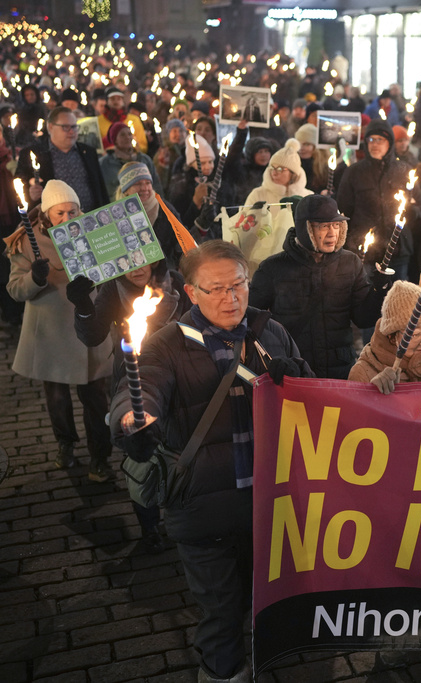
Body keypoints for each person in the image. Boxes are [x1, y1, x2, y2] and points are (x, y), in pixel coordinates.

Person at [111, 240, 311, 682]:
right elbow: (140, 392)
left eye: (238, 285)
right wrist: (131, 419)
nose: (231, 297)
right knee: (221, 613)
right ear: (191, 292)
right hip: (206, 509)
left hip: (272, 505)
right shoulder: (167, 346)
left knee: (267, 599)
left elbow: (313, 393)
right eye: (216, 288)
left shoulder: (268, 331)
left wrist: (294, 372)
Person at [67, 258, 189, 553]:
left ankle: (183, 516)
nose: (135, 266)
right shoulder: (113, 289)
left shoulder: (176, 282)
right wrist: (83, 305)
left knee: (181, 450)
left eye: (142, 257)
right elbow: (93, 336)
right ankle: (149, 526)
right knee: (140, 456)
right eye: (126, 259)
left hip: (180, 379)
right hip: (133, 382)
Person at [4, 180, 113, 478]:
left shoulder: (94, 230)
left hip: (88, 325)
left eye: (73, 211)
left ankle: (100, 455)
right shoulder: (26, 241)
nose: (68, 219)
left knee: (95, 397)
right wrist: (36, 279)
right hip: (50, 331)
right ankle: (65, 444)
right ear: (47, 214)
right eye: (60, 213)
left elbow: (113, 270)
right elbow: (14, 290)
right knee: (56, 396)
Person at [249, 195, 387, 379]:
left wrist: (380, 292)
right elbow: (252, 320)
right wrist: (276, 357)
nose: (332, 233)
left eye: (336, 225)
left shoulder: (350, 262)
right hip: (295, 371)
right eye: (323, 226)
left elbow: (363, 318)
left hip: (339, 371)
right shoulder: (273, 268)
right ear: (305, 228)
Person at [335, 120, 416, 277]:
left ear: (389, 143)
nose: (374, 144)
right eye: (371, 139)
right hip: (366, 251)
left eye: (380, 140)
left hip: (397, 250)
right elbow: (344, 209)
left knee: (398, 298)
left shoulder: (404, 170)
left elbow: (420, 206)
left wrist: (409, 210)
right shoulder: (354, 172)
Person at [16, 106, 109, 212]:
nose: (71, 132)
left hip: (90, 218)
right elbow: (18, 191)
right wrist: (30, 195)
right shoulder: (32, 155)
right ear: (50, 127)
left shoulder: (87, 152)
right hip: (55, 223)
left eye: (74, 127)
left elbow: (100, 189)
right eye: (65, 127)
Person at [115, 162, 183, 269]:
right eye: (137, 184)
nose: (144, 188)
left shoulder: (165, 209)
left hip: (165, 273)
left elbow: (181, 244)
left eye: (147, 182)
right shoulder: (116, 215)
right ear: (126, 190)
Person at [243, 138, 313, 223]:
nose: (274, 173)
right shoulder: (258, 195)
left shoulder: (308, 196)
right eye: (272, 168)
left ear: (293, 173)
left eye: (280, 169)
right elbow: (243, 226)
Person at [99, 120, 163, 200]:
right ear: (114, 139)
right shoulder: (104, 164)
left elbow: (156, 185)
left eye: (129, 134)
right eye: (122, 135)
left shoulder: (144, 159)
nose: (127, 137)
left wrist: (160, 203)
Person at [98, 86, 148, 154]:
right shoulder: (99, 121)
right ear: (107, 101)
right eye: (112, 99)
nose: (116, 101)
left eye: (119, 98)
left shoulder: (134, 120)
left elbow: (143, 146)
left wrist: (135, 148)